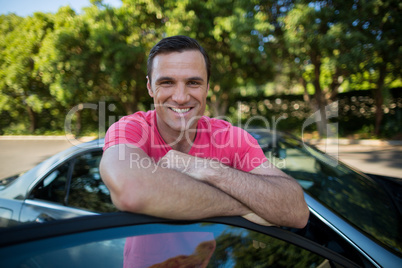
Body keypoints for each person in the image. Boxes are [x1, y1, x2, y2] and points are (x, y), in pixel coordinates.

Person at [100, 35, 309, 266]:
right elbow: (131, 190)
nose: (180, 97)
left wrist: (208, 170)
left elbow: (296, 211)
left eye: (193, 83)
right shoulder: (131, 129)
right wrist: (245, 205)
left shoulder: (231, 138)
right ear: (150, 86)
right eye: (167, 82)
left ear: (208, 86)